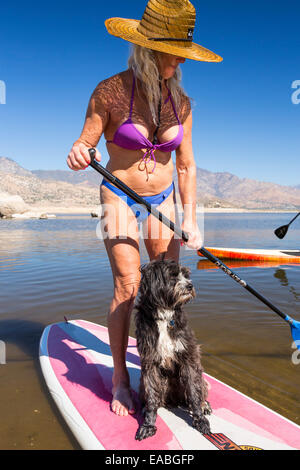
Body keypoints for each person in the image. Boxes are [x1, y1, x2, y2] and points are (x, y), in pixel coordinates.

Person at [67, 0, 222, 417]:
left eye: (182, 53)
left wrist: (190, 219)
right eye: (170, 51)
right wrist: (80, 152)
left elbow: (187, 165)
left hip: (165, 202)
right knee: (129, 287)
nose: (177, 60)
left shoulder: (183, 105)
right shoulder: (109, 91)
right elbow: (85, 143)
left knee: (168, 294)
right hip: (119, 195)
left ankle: (166, 365)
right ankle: (121, 378)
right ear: (145, 47)